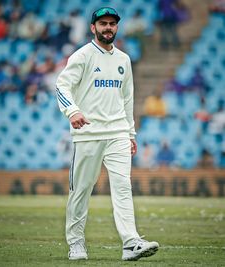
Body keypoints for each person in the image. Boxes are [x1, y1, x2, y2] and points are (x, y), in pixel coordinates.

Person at [56, 7, 159, 261]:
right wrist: (72, 111)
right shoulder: (82, 56)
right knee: (81, 189)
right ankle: (76, 242)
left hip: (118, 134)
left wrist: (130, 133)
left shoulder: (124, 59)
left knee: (123, 185)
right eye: (103, 23)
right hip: (88, 134)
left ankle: (130, 242)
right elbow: (62, 84)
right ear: (93, 27)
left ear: (117, 27)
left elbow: (127, 98)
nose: (108, 27)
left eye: (112, 23)